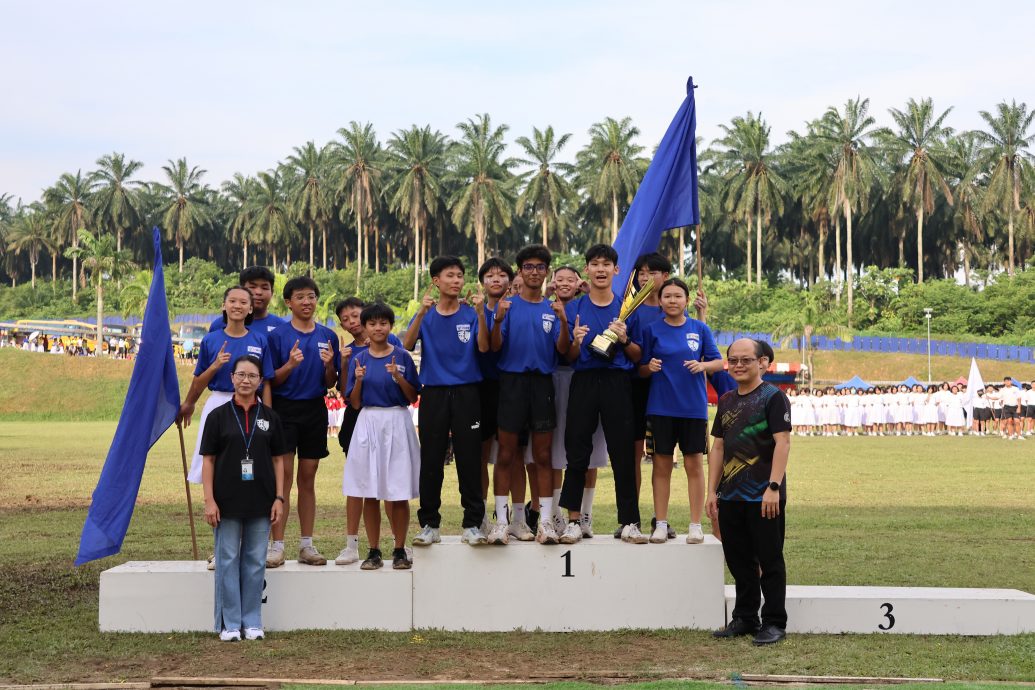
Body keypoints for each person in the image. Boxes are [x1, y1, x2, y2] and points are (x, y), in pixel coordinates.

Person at [558, 243, 645, 545]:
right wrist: (576, 342)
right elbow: (567, 356)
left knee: (623, 453)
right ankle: (573, 521)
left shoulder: (627, 306)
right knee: (576, 450)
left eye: (606, 264)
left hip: (617, 382)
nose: (600, 269)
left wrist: (624, 339)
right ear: (587, 270)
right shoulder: (574, 308)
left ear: (616, 270)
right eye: (594, 264)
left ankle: (630, 522)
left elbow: (637, 356)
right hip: (583, 381)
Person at [708, 338, 791, 646]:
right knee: (738, 559)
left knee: (769, 560)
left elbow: (782, 442)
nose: (739, 365)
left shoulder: (773, 397)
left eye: (746, 360)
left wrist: (773, 487)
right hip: (730, 496)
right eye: (734, 360)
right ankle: (745, 617)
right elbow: (717, 446)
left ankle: (773, 622)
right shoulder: (727, 399)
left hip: (763, 496)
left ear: (762, 363)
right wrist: (711, 492)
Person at [403, 256, 489, 547]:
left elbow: (484, 346)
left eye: (460, 276)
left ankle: (473, 524)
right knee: (431, 459)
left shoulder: (471, 313)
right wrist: (420, 313)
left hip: (467, 393)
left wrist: (480, 314)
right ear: (436, 281)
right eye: (450, 276)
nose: (456, 281)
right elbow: (405, 346)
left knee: (469, 459)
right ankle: (429, 524)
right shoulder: (426, 314)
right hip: (434, 393)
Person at [200, 354, 287, 642]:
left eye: (252, 376)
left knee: (254, 561)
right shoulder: (217, 417)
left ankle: (252, 621)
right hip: (226, 502)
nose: (246, 380)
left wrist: (279, 498)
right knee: (227, 559)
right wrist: (209, 500)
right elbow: (209, 461)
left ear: (260, 381)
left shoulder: (271, 418)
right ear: (232, 378)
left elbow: (278, 462)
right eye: (241, 375)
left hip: (261, 500)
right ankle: (229, 623)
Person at [489, 245, 570, 545]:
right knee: (507, 454)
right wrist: (497, 320)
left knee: (543, 455)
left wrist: (562, 320)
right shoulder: (508, 307)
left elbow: (563, 350)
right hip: (511, 383)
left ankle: (546, 521)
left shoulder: (553, 308)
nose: (534, 272)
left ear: (546, 271)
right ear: (520, 271)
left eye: (540, 267)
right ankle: (502, 521)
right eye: (528, 267)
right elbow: (495, 347)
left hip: (542, 385)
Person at [638, 278, 723, 544]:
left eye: (678, 296)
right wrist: (647, 368)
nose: (673, 301)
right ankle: (660, 523)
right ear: (660, 301)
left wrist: (704, 367)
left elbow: (720, 362)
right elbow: (639, 368)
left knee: (694, 465)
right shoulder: (652, 330)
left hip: (693, 409)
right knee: (661, 466)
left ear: (686, 301)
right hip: (661, 408)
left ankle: (695, 525)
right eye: (667, 296)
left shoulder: (699, 329)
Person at [265, 276, 341, 567]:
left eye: (311, 296)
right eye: (300, 297)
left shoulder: (327, 335)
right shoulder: (278, 337)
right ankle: (278, 545)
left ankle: (306, 545)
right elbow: (272, 379)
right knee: (281, 479)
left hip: (314, 410)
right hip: (284, 410)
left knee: (307, 478)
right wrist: (290, 365)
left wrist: (330, 365)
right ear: (288, 302)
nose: (307, 302)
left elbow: (331, 381)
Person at [343, 303, 421, 570]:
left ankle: (400, 549)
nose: (378, 328)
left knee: (398, 492)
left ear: (390, 326)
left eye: (384, 323)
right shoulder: (359, 359)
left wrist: (398, 376)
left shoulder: (402, 356)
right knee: (369, 491)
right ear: (365, 328)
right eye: (373, 324)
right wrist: (360, 380)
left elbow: (412, 397)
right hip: (368, 422)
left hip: (397, 421)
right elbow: (354, 403)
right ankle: (373, 549)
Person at [180, 287, 275, 491]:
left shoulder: (259, 340)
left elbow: (266, 381)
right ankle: (215, 506)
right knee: (215, 457)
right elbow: (199, 381)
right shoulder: (211, 340)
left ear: (250, 309)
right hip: (219, 402)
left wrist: (267, 414)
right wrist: (214, 367)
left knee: (250, 457)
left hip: (251, 405)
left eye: (243, 302)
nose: (237, 306)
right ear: (224, 305)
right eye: (232, 301)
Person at [475, 257, 515, 533]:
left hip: (511, 386)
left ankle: (510, 515)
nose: (496, 279)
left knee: (510, 454)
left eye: (502, 275)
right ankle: (480, 514)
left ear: (510, 282)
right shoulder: (472, 312)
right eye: (490, 275)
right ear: (483, 282)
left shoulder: (518, 310)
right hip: (479, 389)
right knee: (480, 455)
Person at [209, 266, 286, 335]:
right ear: (241, 289)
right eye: (252, 287)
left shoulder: (282, 327)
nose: (258, 292)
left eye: (264, 288)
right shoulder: (219, 325)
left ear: (272, 292)